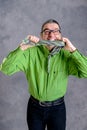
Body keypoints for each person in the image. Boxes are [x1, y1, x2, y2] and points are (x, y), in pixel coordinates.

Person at [0, 19, 87, 130]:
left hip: (58, 109)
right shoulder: (30, 52)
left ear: (60, 35)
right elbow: (6, 69)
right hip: (35, 108)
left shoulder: (67, 55)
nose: (51, 35)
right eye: (46, 31)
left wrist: (73, 50)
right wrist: (22, 47)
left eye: (55, 31)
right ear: (41, 35)